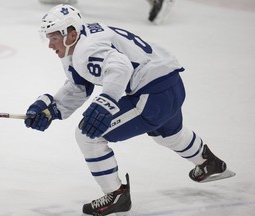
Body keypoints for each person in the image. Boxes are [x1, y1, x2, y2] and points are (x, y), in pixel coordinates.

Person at [24, 4, 232, 215]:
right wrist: (52, 109)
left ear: (71, 33)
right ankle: (209, 163)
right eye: (48, 37)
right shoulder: (82, 39)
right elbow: (80, 85)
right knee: (168, 133)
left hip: (152, 96)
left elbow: (120, 67)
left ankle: (116, 195)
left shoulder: (86, 50)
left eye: (54, 38)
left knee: (88, 135)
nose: (50, 45)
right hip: (171, 84)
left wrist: (106, 102)